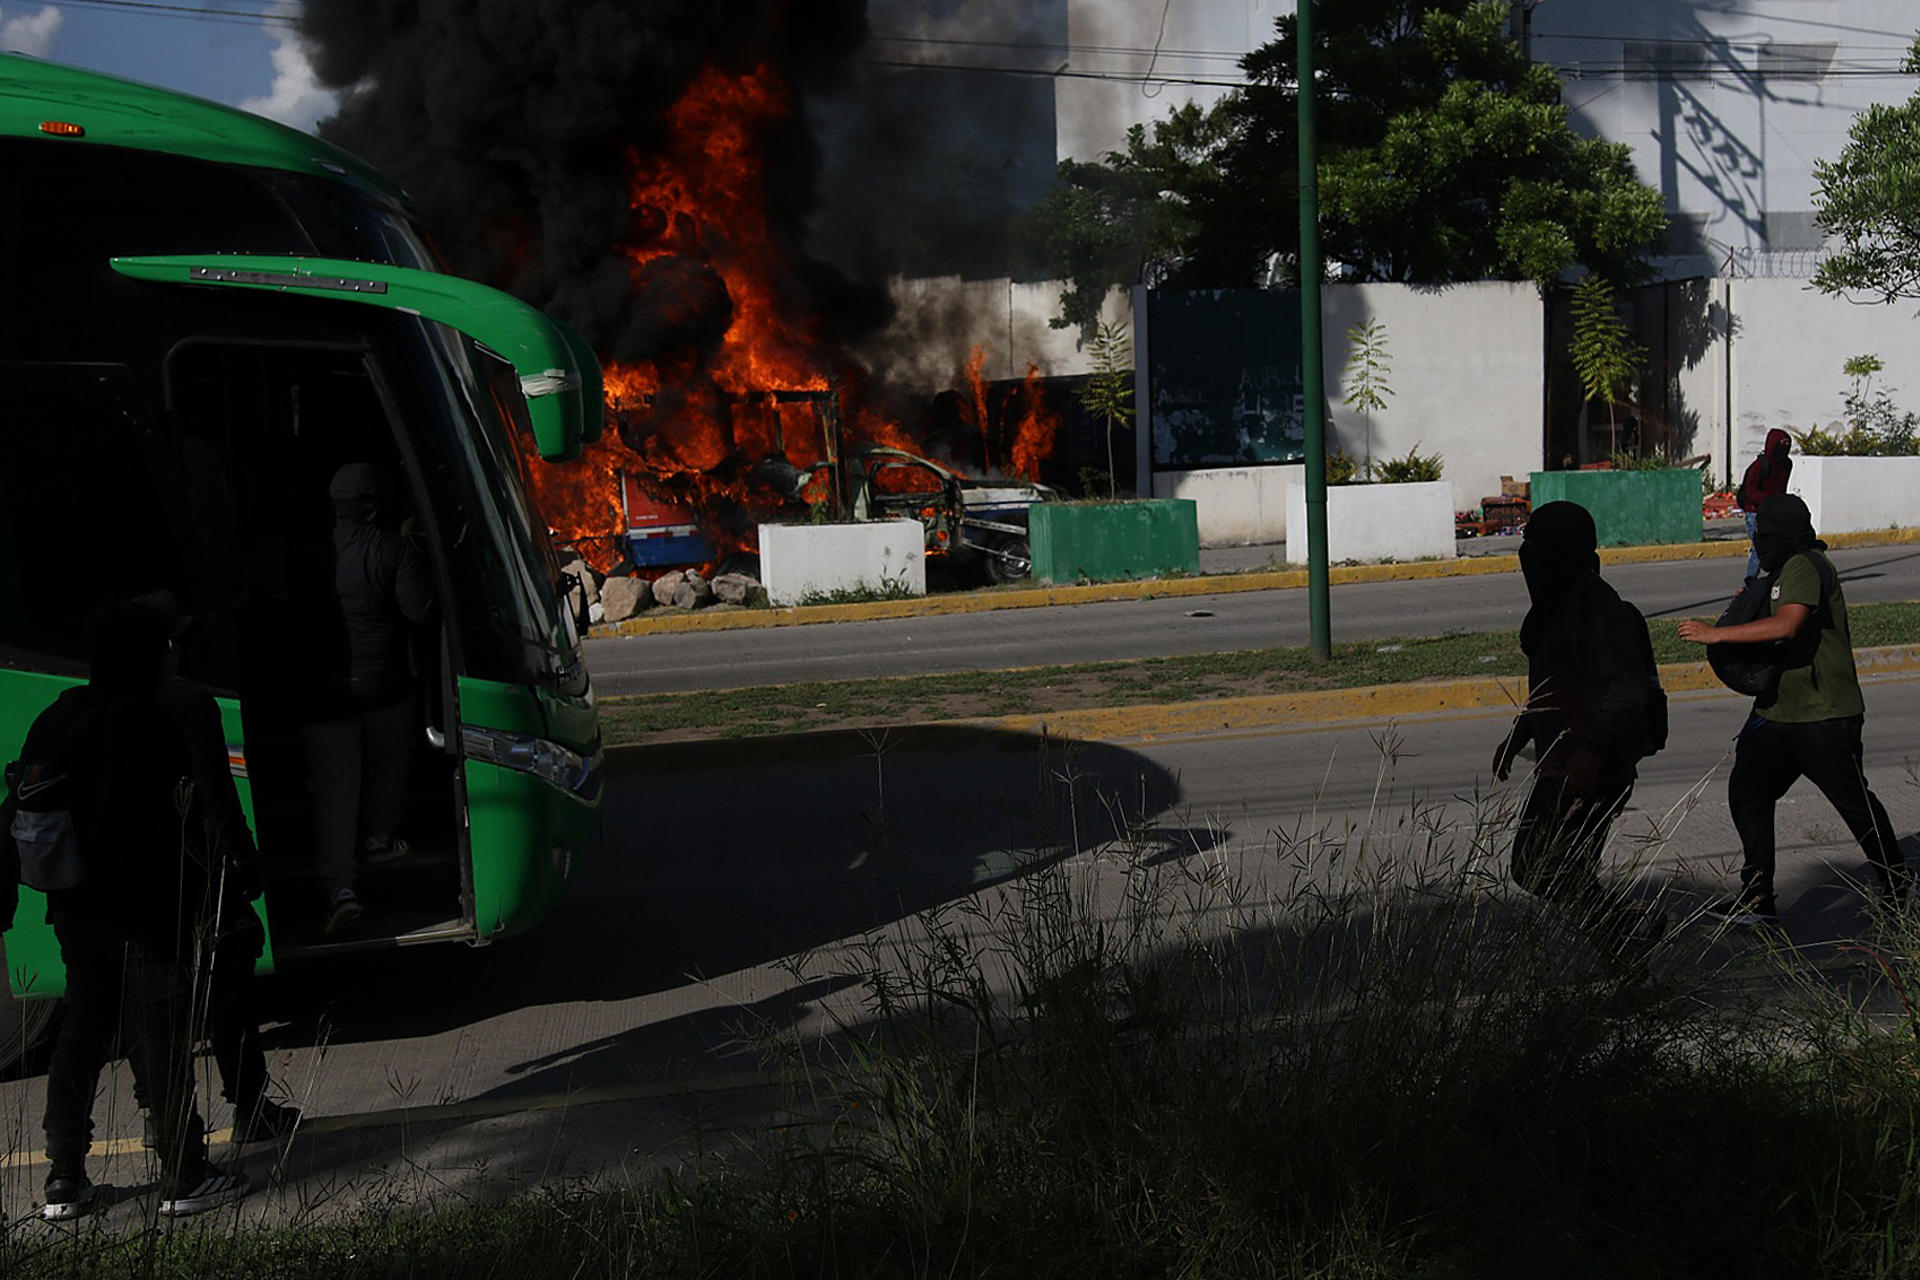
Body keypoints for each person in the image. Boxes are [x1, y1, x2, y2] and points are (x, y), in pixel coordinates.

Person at [6, 600, 252, 1219]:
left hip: (74, 907)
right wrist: (243, 865)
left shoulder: (60, 716)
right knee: (162, 1036)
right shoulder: (163, 715)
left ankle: (64, 1179)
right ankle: (186, 1174)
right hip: (147, 906)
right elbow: (209, 801)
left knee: (82, 1032)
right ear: (148, 656)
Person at [1677, 493, 1912, 925]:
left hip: (1821, 713)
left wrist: (1716, 635)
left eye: (1765, 532)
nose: (1759, 540)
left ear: (1784, 533)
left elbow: (1788, 624)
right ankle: (1757, 897)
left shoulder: (1804, 564)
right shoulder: (1785, 567)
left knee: (1854, 805)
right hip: (1780, 710)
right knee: (1748, 791)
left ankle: (1898, 884)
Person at [133, 592, 300, 1146]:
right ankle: (249, 1106)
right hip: (195, 871)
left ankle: (166, 1124)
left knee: (153, 1010)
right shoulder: (187, 701)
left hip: (129, 882)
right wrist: (245, 857)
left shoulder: (82, 707)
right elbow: (216, 791)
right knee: (227, 988)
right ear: (168, 646)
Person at [1492, 501, 1663, 949]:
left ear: (1564, 555)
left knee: (1539, 867)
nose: (1528, 561)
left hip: (1588, 771)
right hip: (1562, 765)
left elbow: (1626, 692)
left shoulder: (1599, 609)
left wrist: (1593, 752)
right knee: (1554, 869)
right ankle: (1625, 945)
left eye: (1539, 551)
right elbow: (1558, 683)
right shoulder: (1557, 605)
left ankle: (1626, 936)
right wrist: (1522, 731)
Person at [303, 462, 437, 937]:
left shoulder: (309, 554)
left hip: (324, 695)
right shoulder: (392, 549)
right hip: (386, 688)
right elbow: (420, 613)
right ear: (376, 503)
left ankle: (340, 888)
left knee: (335, 790)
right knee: (391, 755)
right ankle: (379, 836)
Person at [1737, 428, 1793, 581]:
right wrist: (1768, 500)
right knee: (1760, 546)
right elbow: (1750, 491)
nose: (1785, 447)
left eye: (1787, 444)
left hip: (1773, 511)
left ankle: (1777, 577)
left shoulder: (1786, 465)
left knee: (1779, 544)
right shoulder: (1760, 466)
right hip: (1755, 512)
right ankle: (1749, 581)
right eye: (1781, 444)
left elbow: (1782, 488)